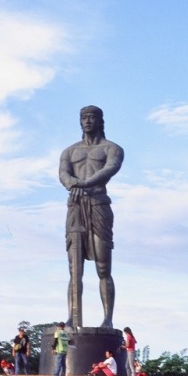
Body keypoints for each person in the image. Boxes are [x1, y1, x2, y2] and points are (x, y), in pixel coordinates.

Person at [59, 106, 124, 329]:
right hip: (75, 205)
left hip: (98, 203)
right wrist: (72, 184)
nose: (87, 121)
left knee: (103, 266)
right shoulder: (69, 151)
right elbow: (63, 174)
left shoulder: (112, 148)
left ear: (99, 120)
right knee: (74, 268)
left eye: (91, 117)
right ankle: (72, 316)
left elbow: (110, 168)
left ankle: (107, 318)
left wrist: (85, 184)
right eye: (83, 117)